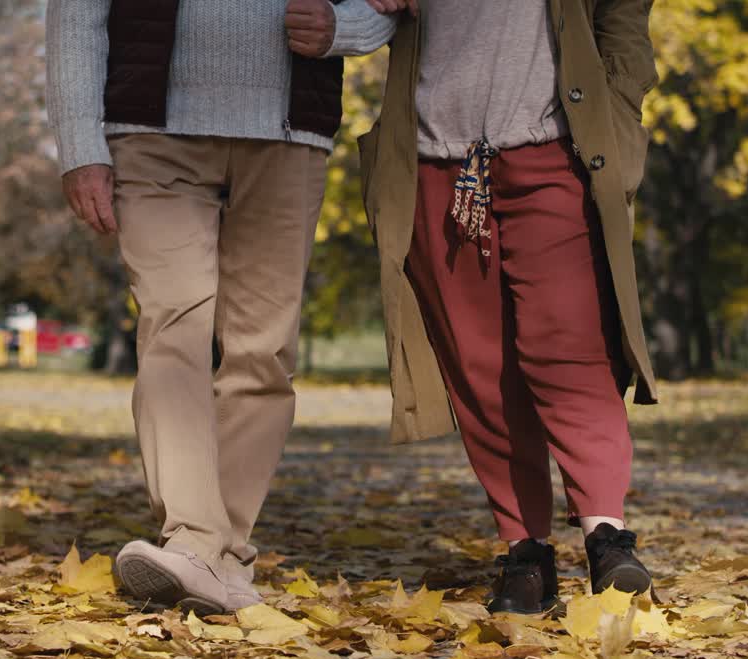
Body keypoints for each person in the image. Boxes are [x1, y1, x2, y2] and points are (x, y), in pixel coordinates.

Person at [297, 0, 660, 614]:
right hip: (434, 162)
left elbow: (622, 13)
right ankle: (526, 552)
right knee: (479, 365)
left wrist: (619, 106)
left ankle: (606, 537)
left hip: (554, 151)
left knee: (569, 349)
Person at [46, 0, 393, 615]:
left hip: (289, 136)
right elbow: (77, 15)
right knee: (172, 325)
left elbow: (392, 8)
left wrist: (345, 29)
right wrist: (80, 145)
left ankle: (219, 559)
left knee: (264, 351)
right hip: (152, 134)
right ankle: (195, 540)